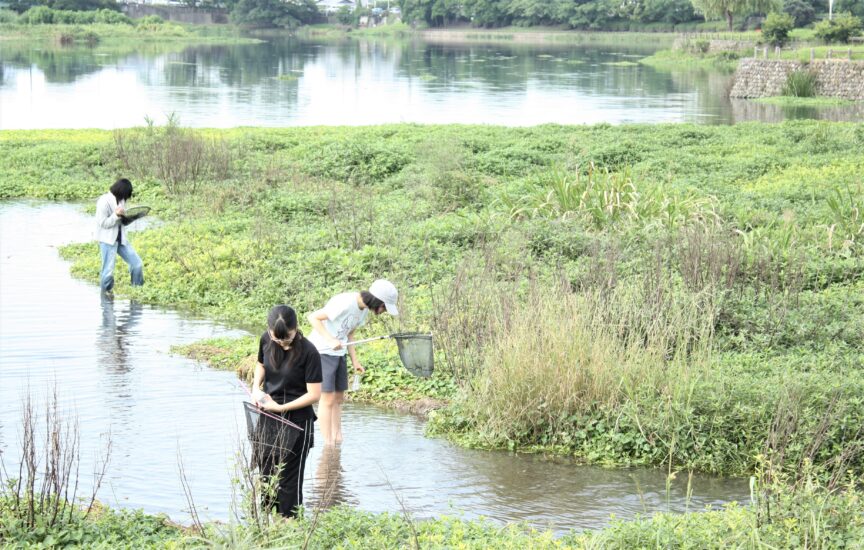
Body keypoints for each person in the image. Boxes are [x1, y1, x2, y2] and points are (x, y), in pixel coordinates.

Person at [307, 279, 399, 446]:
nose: (384, 311)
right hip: (321, 351)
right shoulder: (344, 302)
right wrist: (330, 340)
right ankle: (328, 445)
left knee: (339, 398)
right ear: (377, 300)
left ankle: (337, 437)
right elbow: (313, 317)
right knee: (327, 399)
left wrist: (355, 361)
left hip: (339, 353)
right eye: (384, 307)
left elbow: (350, 335)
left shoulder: (363, 310)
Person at [251, 305, 322, 518]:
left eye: (287, 339)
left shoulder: (309, 352)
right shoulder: (265, 339)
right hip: (268, 415)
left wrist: (281, 407)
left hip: (297, 420)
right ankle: (266, 525)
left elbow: (314, 394)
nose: (282, 343)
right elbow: (261, 364)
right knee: (266, 474)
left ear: (296, 328)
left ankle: (290, 528)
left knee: (289, 480)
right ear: (269, 330)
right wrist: (256, 388)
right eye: (277, 339)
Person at [95, 178, 144, 293]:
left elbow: (122, 222)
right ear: (121, 191)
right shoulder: (104, 201)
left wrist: (131, 217)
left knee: (137, 264)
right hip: (107, 240)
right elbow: (103, 223)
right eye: (126, 195)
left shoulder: (121, 200)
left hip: (121, 238)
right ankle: (106, 298)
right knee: (107, 272)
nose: (126, 199)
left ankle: (137, 291)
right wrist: (116, 215)